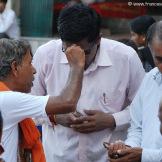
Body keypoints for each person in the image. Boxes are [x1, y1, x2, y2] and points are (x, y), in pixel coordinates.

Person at [31, 4, 145, 162]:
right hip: (57, 157)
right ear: (61, 39)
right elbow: (28, 106)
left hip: (108, 158)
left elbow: (144, 108)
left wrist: (112, 120)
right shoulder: (46, 55)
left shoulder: (126, 58)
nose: (77, 60)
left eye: (84, 53)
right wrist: (55, 117)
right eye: (68, 52)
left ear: (98, 39)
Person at [0, 38, 85, 162]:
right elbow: (68, 102)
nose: (34, 70)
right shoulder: (7, 100)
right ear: (15, 67)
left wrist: (54, 117)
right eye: (29, 63)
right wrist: (77, 66)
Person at [107, 21, 162, 162]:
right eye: (159, 59)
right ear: (149, 50)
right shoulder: (150, 79)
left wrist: (143, 155)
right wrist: (127, 148)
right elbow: (137, 128)